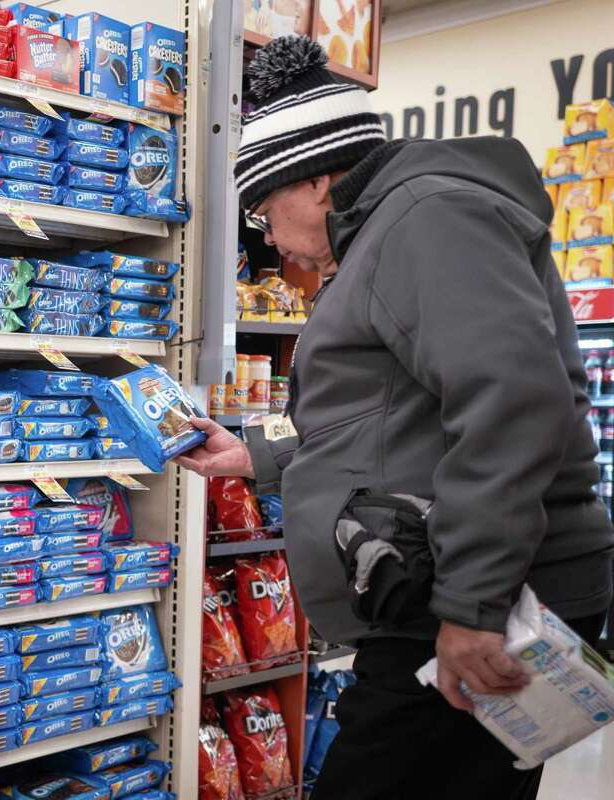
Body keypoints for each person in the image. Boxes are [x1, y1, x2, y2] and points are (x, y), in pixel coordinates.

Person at [180, 35, 614, 799]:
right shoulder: (397, 227)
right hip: (443, 586)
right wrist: (255, 455)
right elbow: (391, 415)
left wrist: (472, 609)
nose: (272, 240)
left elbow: (516, 405)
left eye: (264, 213)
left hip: (472, 597)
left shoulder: (428, 219)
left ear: (316, 181)